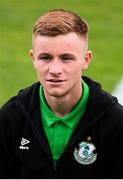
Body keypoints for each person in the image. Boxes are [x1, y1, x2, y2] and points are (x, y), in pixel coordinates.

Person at [0, 9, 123, 179]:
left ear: (86, 60)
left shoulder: (115, 122)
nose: (55, 70)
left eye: (66, 58)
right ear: (33, 58)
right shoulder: (11, 117)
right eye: (45, 58)